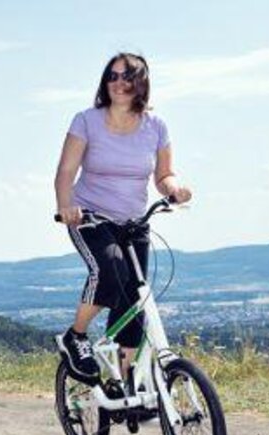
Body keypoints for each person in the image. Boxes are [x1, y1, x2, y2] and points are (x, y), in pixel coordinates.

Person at [54, 52, 192, 383]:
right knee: (110, 271)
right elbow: (65, 172)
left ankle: (124, 380)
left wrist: (175, 189)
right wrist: (66, 205)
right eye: (112, 76)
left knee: (135, 298)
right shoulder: (86, 120)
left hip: (134, 223)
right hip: (90, 217)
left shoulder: (156, 126)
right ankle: (75, 336)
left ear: (140, 83)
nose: (118, 83)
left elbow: (163, 175)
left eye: (126, 77)